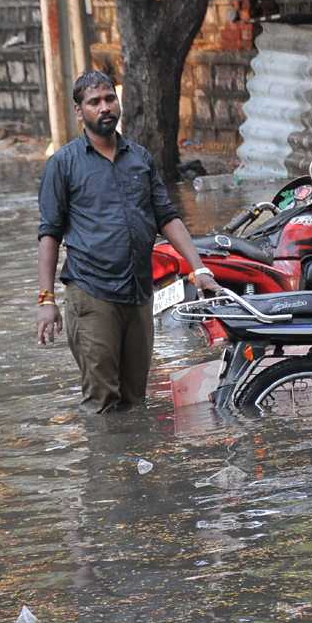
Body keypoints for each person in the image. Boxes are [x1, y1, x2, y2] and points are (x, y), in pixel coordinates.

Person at [36, 70, 220, 413]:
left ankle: (132, 463)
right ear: (79, 112)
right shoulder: (63, 165)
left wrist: (199, 269)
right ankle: (104, 464)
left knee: (135, 399)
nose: (104, 107)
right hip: (92, 295)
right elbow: (50, 233)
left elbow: (167, 217)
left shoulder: (140, 158)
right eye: (94, 102)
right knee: (102, 402)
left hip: (138, 294)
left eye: (109, 99)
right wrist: (46, 300)